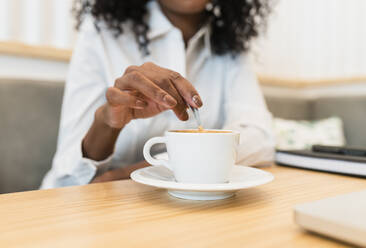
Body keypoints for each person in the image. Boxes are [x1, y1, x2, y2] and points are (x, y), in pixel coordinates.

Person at [41, 0, 275, 188]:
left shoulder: (230, 43)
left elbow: (260, 139)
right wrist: (106, 124)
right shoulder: (102, 32)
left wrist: (137, 172)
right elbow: (67, 180)